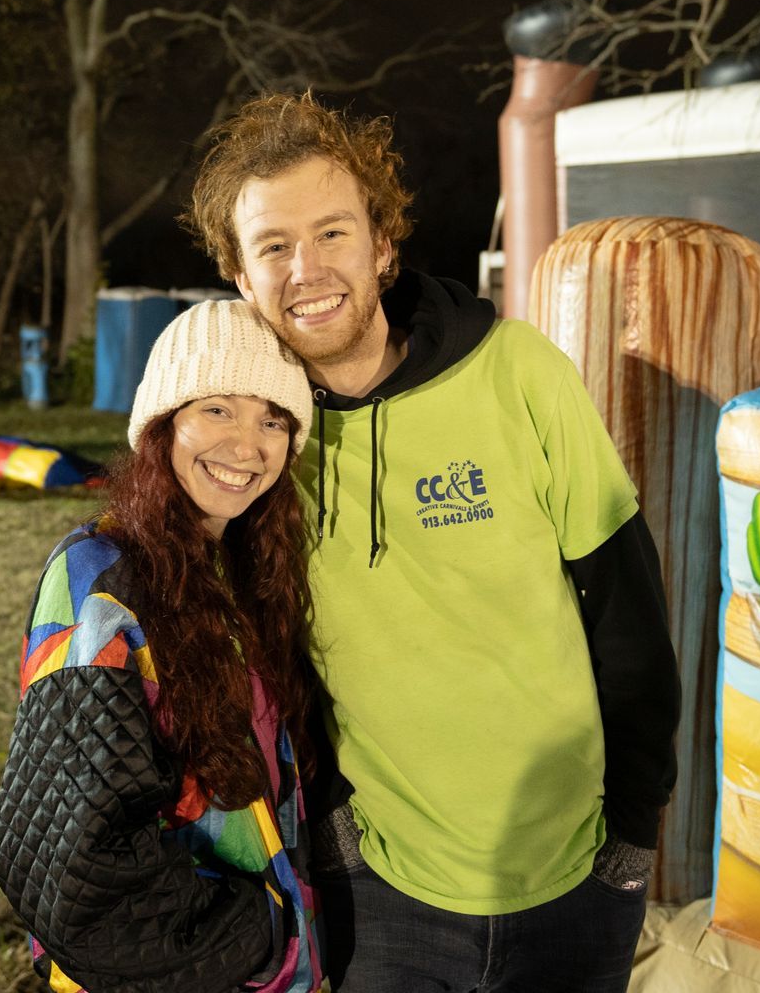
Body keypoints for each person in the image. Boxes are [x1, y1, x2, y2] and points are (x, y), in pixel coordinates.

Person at [184, 92, 681, 993]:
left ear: (382, 245)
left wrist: (634, 835)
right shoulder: (260, 447)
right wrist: (334, 831)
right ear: (240, 278)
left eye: (333, 233)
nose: (308, 268)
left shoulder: (519, 372)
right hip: (383, 894)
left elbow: (628, 608)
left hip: (573, 877)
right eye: (273, 247)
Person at [0, 299, 327, 993]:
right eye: (217, 409)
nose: (247, 445)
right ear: (162, 426)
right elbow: (74, 873)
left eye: (273, 419)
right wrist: (259, 937)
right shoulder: (101, 580)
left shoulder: (246, 571)